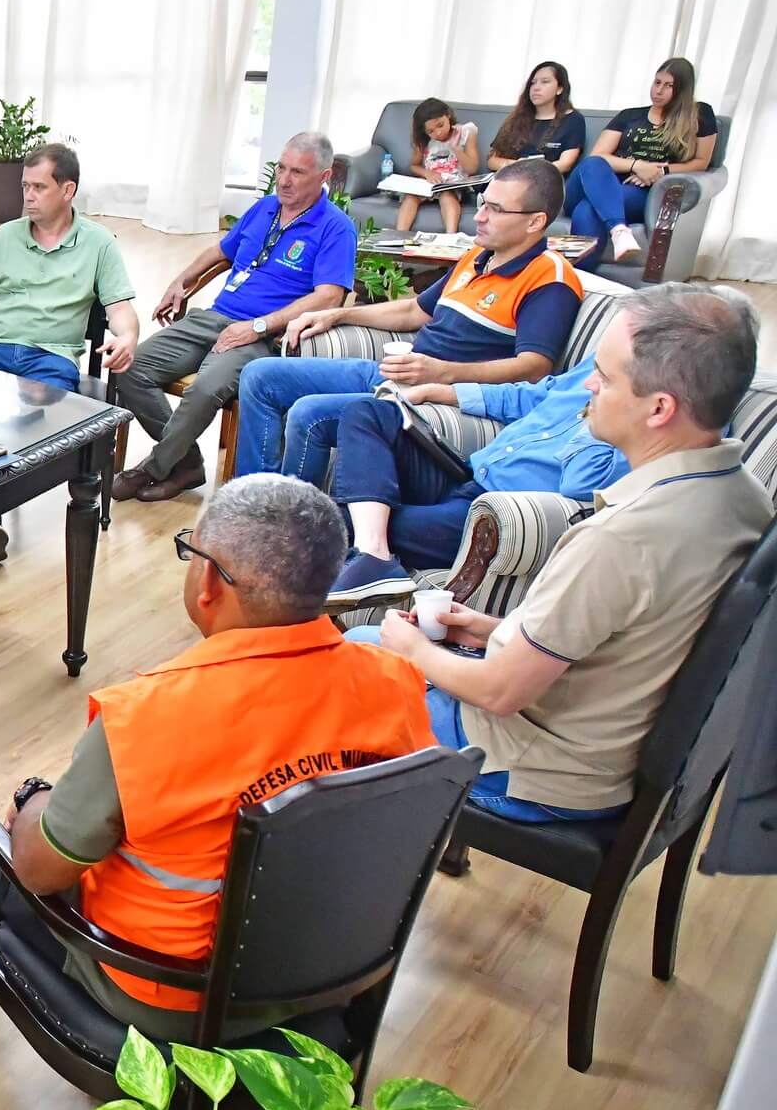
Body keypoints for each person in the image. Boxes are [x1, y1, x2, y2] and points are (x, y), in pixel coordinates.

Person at [0, 475, 436, 1040]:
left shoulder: (152, 715)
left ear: (208, 581)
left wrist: (34, 802)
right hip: (334, 965)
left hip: (175, 993)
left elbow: (37, 869)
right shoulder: (395, 683)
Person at [360, 285, 770, 822]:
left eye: (604, 375)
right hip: (602, 744)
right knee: (365, 650)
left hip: (536, 772)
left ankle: (332, 873)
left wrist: (413, 648)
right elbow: (628, 638)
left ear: (659, 408)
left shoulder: (622, 535)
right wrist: (489, 629)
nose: (590, 387)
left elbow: (500, 691)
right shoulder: (747, 499)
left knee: (342, 666)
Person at [235, 159, 582, 486]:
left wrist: (443, 372)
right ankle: (250, 501)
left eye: (496, 209)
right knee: (260, 376)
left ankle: (289, 532)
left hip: (437, 395)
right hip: (397, 372)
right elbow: (415, 311)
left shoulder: (549, 279)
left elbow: (535, 367)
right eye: (483, 202)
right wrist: (337, 313)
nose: (479, 216)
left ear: (535, 221)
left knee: (308, 414)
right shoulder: (478, 256)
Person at [108, 133, 355, 503]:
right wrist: (182, 280)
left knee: (205, 389)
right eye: (282, 168)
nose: (284, 180)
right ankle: (186, 463)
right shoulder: (265, 207)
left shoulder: (336, 227)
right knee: (129, 366)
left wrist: (258, 326)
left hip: (264, 335)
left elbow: (329, 296)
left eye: (297, 173)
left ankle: (152, 467)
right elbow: (222, 251)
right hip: (216, 316)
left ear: (324, 176)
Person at [322, 359, 629, 604]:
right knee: (368, 413)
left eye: (603, 376)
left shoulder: (641, 424)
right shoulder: (601, 365)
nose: (591, 381)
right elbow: (535, 395)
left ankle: (369, 553)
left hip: (491, 515)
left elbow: (581, 483)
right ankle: (373, 551)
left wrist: (600, 413)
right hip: (467, 473)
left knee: (325, 519)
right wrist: (439, 391)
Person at [0, 143, 139, 396]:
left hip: (52, 358)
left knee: (41, 421)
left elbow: (119, 309)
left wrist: (128, 336)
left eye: (39, 187)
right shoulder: (5, 236)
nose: (29, 195)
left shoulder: (99, 243)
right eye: (25, 186)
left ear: (67, 190)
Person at [565, 57, 718, 268]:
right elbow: (599, 155)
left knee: (587, 209)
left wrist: (660, 171)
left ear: (683, 89)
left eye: (668, 86)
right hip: (595, 182)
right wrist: (638, 165)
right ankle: (619, 228)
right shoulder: (630, 115)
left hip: (639, 190)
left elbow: (701, 162)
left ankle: (579, 275)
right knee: (593, 163)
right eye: (657, 83)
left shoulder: (699, 115)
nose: (659, 91)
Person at [393, 99, 479, 234]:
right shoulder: (423, 140)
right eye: (431, 131)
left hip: (452, 184)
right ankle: (399, 235)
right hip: (430, 182)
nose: (438, 133)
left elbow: (472, 168)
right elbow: (414, 166)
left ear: (448, 115)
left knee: (447, 196)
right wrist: (427, 173)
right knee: (410, 197)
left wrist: (456, 149)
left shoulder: (466, 132)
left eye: (440, 125)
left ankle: (450, 237)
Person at [487, 61, 586, 175]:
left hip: (546, 182)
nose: (536, 88)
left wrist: (531, 170)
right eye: (533, 83)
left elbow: (565, 164)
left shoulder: (573, 119)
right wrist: (517, 165)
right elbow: (492, 161)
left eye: (545, 82)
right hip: (510, 178)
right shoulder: (517, 118)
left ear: (560, 89)